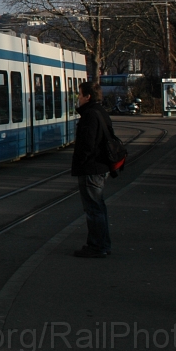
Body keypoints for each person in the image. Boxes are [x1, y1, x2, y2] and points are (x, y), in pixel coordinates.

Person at [71, 80, 113, 257]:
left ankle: (97, 246)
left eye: (80, 95)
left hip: (92, 168)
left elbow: (87, 144)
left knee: (93, 209)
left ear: (87, 96)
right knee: (98, 207)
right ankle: (103, 244)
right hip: (100, 166)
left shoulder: (89, 115)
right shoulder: (100, 111)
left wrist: (80, 162)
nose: (78, 98)